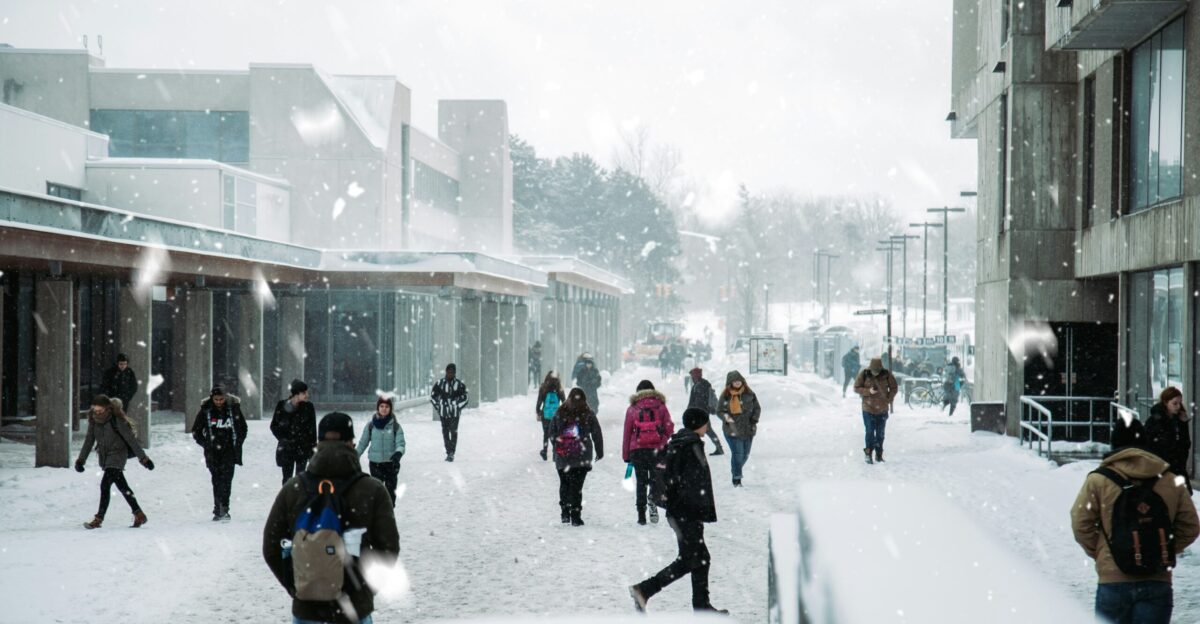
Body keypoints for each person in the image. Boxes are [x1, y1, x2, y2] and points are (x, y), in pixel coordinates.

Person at [263, 412, 399, 624]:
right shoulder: (372, 489)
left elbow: (271, 547)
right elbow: (389, 548)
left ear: (318, 443)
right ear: (351, 443)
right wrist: (365, 589)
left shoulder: (294, 488)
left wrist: (297, 584)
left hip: (307, 608)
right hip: (354, 607)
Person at [1071, 417, 1199, 624]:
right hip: (1157, 580)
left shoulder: (1098, 480)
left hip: (1113, 579)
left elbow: (1080, 523)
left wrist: (1105, 551)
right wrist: (1161, 548)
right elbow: (1190, 526)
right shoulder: (1170, 479)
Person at [629, 407, 727, 615]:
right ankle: (644, 590)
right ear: (698, 424)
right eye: (705, 422)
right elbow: (692, 483)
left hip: (681, 511)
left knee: (700, 558)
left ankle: (701, 606)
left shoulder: (682, 442)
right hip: (686, 512)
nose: (707, 426)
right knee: (691, 559)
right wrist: (696, 509)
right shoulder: (689, 446)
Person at [75, 395, 154, 529]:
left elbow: (131, 440)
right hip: (105, 457)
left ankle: (99, 518)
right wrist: (81, 460)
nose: (97, 413)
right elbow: (89, 441)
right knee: (123, 486)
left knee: (105, 485)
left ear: (107, 408)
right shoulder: (94, 422)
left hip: (118, 455)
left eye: (100, 410)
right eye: (95, 410)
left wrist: (144, 459)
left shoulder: (115, 420)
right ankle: (139, 514)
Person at [191, 385, 248, 521]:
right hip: (213, 453)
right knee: (216, 480)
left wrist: (237, 442)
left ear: (225, 398)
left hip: (229, 451)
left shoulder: (233, 409)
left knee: (227, 481)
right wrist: (206, 444)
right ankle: (218, 509)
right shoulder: (206, 410)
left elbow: (243, 428)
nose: (218, 402)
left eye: (221, 399)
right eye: (216, 399)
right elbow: (196, 431)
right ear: (212, 398)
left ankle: (224, 508)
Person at [622, 379, 674, 525]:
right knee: (656, 480)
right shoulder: (661, 406)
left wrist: (626, 455)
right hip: (657, 450)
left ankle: (641, 515)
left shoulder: (632, 408)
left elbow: (627, 433)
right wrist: (662, 441)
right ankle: (653, 498)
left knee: (641, 482)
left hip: (637, 450)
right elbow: (669, 427)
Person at [551, 388, 604, 526]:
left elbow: (552, 433)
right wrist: (599, 451)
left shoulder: (559, 413)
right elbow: (597, 433)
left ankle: (564, 512)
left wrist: (558, 447)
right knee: (576, 487)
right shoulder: (588, 413)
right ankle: (575, 515)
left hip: (563, 457)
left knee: (564, 483)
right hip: (581, 456)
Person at [357, 396, 406, 507]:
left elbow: (400, 444)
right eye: (381, 406)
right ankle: (378, 515)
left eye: (387, 406)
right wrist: (354, 456)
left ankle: (389, 514)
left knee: (390, 495)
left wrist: (398, 453)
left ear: (390, 408)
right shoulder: (371, 426)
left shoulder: (395, 426)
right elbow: (362, 443)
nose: (384, 409)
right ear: (378, 408)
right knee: (376, 493)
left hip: (391, 464)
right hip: (375, 464)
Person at [718, 371, 760, 487]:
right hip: (732, 430)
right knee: (738, 454)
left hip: (748, 429)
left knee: (745, 455)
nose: (737, 382)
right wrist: (728, 418)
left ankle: (735, 469)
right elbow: (719, 410)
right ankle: (737, 479)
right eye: (734, 381)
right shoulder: (726, 395)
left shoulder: (749, 393)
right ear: (730, 383)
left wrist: (754, 419)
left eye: (738, 380)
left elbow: (757, 408)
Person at [1146, 386, 1192, 493]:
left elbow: (1185, 444)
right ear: (1166, 402)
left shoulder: (1178, 420)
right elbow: (1150, 445)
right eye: (1175, 403)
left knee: (1182, 497)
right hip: (1161, 469)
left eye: (1179, 403)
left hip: (1177, 468)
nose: (1178, 406)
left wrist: (1183, 424)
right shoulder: (1155, 421)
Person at [271, 379, 317, 485]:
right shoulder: (282, 405)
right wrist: (284, 439)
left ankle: (298, 496)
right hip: (287, 449)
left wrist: (312, 450)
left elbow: (312, 431)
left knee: (300, 480)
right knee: (287, 479)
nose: (307, 395)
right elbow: (274, 426)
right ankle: (287, 495)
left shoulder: (308, 407)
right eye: (304, 393)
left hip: (303, 448)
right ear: (296, 394)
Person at [854, 358, 897, 464]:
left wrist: (889, 398)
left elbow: (894, 387)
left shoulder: (886, 374)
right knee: (869, 432)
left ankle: (879, 454)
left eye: (877, 371)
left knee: (880, 434)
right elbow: (856, 387)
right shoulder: (864, 374)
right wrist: (868, 391)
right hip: (868, 408)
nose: (875, 373)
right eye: (873, 371)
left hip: (882, 409)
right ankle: (868, 454)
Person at [431, 363, 468, 462]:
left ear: (455, 373)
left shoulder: (459, 385)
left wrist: (457, 406)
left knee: (453, 431)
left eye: (452, 372)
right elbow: (433, 397)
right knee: (445, 432)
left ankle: (451, 452)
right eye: (449, 372)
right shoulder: (440, 384)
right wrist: (439, 407)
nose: (450, 374)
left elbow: (465, 398)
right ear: (446, 372)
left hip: (455, 413)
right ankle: (449, 452)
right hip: (443, 413)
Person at [686, 368, 724, 456]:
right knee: (705, 430)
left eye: (692, 375)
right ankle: (718, 447)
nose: (692, 377)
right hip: (702, 412)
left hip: (700, 413)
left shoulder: (700, 386)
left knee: (700, 430)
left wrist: (692, 411)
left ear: (695, 376)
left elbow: (698, 401)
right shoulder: (701, 384)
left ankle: (696, 450)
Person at [535, 371, 566, 461]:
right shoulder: (559, 388)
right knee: (555, 434)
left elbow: (539, 401)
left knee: (546, 433)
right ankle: (555, 451)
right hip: (556, 416)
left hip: (546, 415)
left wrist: (538, 411)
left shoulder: (544, 387)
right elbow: (564, 402)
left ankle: (544, 452)